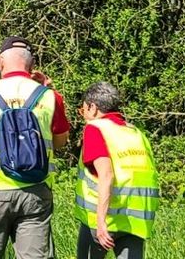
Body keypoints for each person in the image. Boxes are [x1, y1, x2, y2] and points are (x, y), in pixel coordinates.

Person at [0, 37, 71, 259]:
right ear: (32, 63)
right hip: (36, 191)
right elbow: (60, 141)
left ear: (0, 61)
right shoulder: (49, 96)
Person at [71, 82, 157, 259]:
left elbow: (106, 175)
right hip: (134, 223)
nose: (83, 116)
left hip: (102, 223)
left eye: (83, 110)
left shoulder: (95, 129)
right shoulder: (137, 133)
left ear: (93, 107)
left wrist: (100, 221)